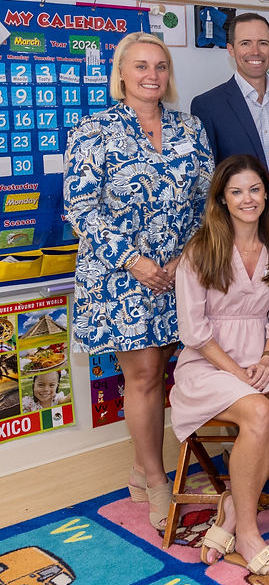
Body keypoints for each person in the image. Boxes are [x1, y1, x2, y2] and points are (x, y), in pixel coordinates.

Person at [64, 31, 213, 530]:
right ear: (122, 74)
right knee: (145, 377)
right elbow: (80, 207)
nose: (152, 75)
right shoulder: (93, 131)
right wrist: (135, 262)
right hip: (122, 278)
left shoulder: (191, 129)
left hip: (179, 274)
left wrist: (184, 259)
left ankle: (137, 466)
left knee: (174, 368)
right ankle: (155, 477)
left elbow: (207, 202)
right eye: (141, 66)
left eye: (161, 66)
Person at [170, 154, 269, 576]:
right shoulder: (200, 249)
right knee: (259, 409)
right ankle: (247, 530)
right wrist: (237, 371)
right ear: (222, 200)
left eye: (254, 189)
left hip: (259, 356)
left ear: (266, 193)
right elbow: (195, 329)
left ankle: (230, 504)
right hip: (208, 362)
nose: (247, 199)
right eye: (236, 191)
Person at [190, 13, 269, 215]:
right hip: (238, 226)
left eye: (263, 43)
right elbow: (208, 181)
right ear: (231, 49)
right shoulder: (207, 106)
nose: (255, 51)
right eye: (245, 43)